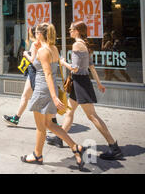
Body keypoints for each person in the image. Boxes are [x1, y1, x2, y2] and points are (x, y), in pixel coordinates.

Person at [47, 21, 123, 160]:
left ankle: (113, 147)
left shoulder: (77, 44)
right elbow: (91, 67)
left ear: (77, 30)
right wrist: (99, 84)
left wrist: (62, 62)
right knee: (70, 111)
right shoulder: (85, 44)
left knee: (92, 116)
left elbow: (75, 68)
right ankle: (60, 138)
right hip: (80, 82)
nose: (69, 31)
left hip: (80, 83)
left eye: (71, 29)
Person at [22, 23, 86, 171]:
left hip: (42, 90)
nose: (34, 35)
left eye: (36, 32)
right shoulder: (53, 49)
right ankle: (75, 147)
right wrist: (54, 96)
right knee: (50, 124)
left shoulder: (43, 51)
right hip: (51, 91)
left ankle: (37, 155)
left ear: (40, 34)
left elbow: (48, 74)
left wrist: (54, 98)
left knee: (40, 127)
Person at [3, 26, 40, 126]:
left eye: (29, 33)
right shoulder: (42, 44)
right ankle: (16, 118)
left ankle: (53, 122)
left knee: (32, 98)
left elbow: (33, 60)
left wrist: (26, 54)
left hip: (34, 72)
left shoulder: (35, 44)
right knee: (27, 96)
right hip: (35, 73)